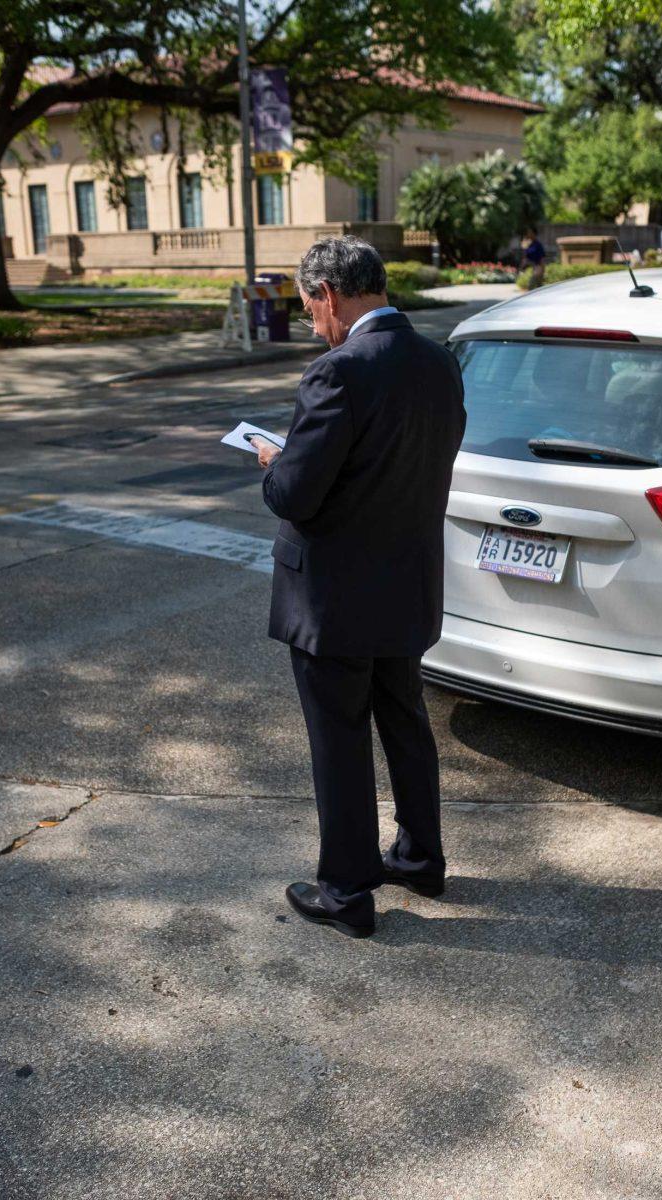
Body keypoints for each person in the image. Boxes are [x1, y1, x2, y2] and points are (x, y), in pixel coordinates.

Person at [255, 236, 466, 938]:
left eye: (310, 307)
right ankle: (419, 856)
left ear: (329, 296)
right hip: (406, 582)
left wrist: (272, 460)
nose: (312, 322)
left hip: (334, 597)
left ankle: (345, 892)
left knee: (339, 741)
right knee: (405, 724)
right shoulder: (440, 361)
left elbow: (294, 494)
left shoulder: (338, 371)